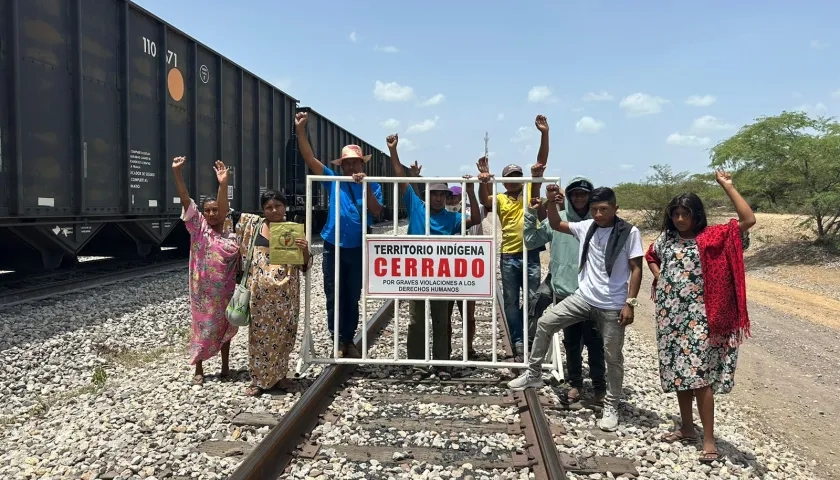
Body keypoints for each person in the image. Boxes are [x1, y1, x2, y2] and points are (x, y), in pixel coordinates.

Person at [508, 185, 644, 433]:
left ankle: (611, 404)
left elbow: (636, 268)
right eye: (595, 209)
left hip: (613, 305)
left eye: (604, 209)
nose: (599, 214)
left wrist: (630, 302)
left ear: (615, 208)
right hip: (584, 298)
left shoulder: (629, 232)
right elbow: (557, 223)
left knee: (612, 357)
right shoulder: (587, 227)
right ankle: (534, 373)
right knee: (545, 322)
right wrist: (551, 202)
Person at [644, 170, 755, 464]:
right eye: (676, 214)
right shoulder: (666, 240)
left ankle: (708, 439)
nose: (680, 219)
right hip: (670, 317)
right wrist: (661, 277)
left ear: (697, 215)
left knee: (700, 378)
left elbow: (748, 220)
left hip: (701, 319)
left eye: (686, 214)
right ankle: (687, 429)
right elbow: (651, 255)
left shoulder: (712, 237)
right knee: (680, 374)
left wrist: (727, 186)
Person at [386, 135, 484, 380]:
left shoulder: (452, 218)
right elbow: (401, 179)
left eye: (442, 195)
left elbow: (476, 220)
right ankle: (419, 365)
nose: (439, 198)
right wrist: (393, 151)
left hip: (442, 277)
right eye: (435, 194)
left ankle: (441, 364)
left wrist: (470, 192)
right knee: (417, 321)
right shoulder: (417, 207)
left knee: (441, 321)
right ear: (428, 195)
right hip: (417, 276)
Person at [295, 112, 384, 358]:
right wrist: (301, 131)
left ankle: (348, 339)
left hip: (357, 248)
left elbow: (376, 211)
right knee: (333, 294)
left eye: (356, 162)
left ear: (362, 165)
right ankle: (337, 339)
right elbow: (309, 158)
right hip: (333, 245)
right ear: (341, 166)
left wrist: (364, 186)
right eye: (347, 163)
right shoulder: (333, 180)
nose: (351, 166)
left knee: (352, 295)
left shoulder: (372, 185)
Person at [525, 176, 607, 404]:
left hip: (594, 294)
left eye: (583, 194)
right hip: (565, 292)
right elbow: (531, 241)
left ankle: (600, 386)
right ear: (569, 197)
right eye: (575, 194)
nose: (579, 198)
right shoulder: (558, 220)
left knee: (595, 341)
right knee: (571, 342)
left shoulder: (600, 222)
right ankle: (575, 383)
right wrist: (532, 214)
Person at [476, 114, 550, 358]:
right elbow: (484, 200)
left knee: (532, 300)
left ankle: (530, 338)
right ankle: (518, 341)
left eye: (518, 177)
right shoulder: (499, 198)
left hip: (530, 255)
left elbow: (539, 166)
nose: (514, 181)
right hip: (509, 256)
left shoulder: (530, 192)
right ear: (505, 181)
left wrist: (544, 134)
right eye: (510, 178)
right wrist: (484, 181)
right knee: (511, 303)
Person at [231, 190, 312, 396]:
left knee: (285, 334)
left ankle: (280, 376)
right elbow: (225, 212)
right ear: (263, 209)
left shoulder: (293, 229)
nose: (274, 210)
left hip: (287, 293)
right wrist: (224, 184)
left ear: (285, 207)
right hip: (260, 295)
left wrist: (304, 249)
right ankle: (258, 380)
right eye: (269, 207)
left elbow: (305, 265)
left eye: (278, 206)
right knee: (259, 336)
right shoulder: (253, 226)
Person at [172, 156, 240, 385]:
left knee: (226, 328)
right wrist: (177, 173)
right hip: (202, 293)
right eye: (207, 210)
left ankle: (225, 367)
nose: (211, 214)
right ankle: (198, 368)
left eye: (215, 210)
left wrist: (223, 185)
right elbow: (184, 199)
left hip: (225, 293)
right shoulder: (199, 229)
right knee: (201, 329)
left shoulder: (232, 237)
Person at [445, 185, 487, 359]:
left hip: (467, 273)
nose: (452, 200)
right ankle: (445, 349)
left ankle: (468, 347)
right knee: (443, 316)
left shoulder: (470, 214)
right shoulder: (443, 216)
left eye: (455, 197)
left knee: (469, 315)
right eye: (450, 197)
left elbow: (484, 207)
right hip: (446, 273)